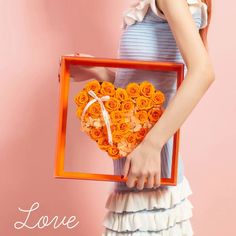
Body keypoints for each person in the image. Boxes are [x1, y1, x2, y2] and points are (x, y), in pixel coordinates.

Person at [59, 0, 215, 235]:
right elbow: (155, 83)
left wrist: (151, 145)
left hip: (149, 178)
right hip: (138, 177)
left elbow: (203, 72)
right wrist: (100, 72)